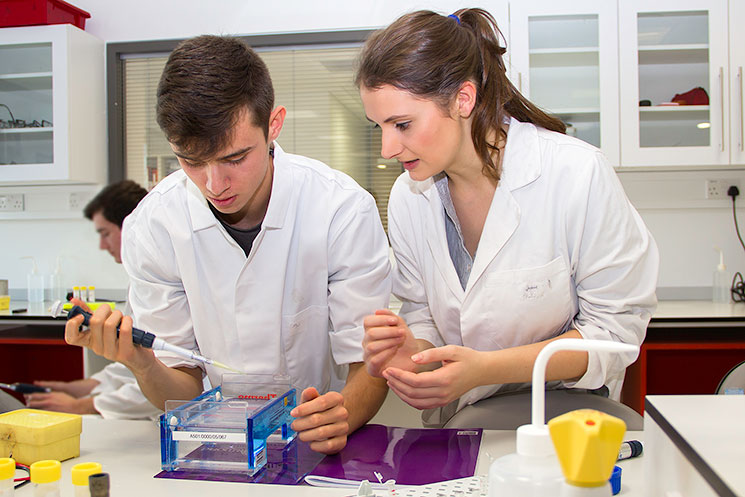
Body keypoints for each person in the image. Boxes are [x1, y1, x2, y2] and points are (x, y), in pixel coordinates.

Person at [64, 35, 391, 453]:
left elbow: (371, 366)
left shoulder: (340, 209)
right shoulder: (155, 225)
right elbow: (180, 389)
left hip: (312, 443)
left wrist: (339, 415)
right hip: (216, 445)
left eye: (235, 158)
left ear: (273, 125)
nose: (215, 185)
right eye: (191, 161)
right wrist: (141, 362)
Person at [358, 9, 659, 426]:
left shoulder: (576, 174)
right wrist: (415, 351)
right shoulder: (411, 197)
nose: (387, 149)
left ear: (463, 99)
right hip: (464, 425)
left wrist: (484, 369)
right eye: (380, 127)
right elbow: (422, 311)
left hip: (571, 421)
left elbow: (614, 334)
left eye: (403, 124)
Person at [25, 181, 162, 420]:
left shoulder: (161, 286)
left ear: (130, 226)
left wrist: (81, 406)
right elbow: (134, 365)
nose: (101, 245)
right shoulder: (140, 283)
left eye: (105, 233)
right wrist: (77, 388)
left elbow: (163, 380)